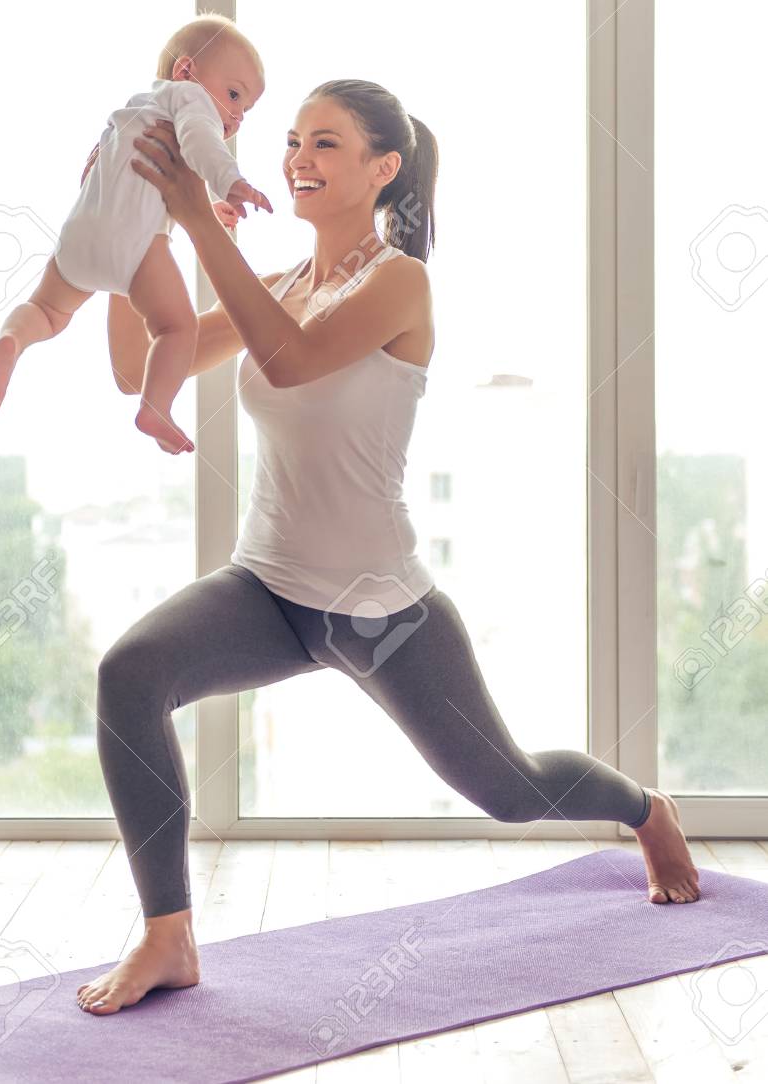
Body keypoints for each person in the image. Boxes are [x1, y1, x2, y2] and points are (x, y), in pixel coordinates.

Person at [77, 78, 701, 1016]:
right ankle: (169, 936)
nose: (297, 158)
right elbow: (139, 362)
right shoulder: (284, 280)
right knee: (129, 673)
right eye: (291, 140)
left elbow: (286, 357)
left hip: (380, 611)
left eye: (325, 143)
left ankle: (646, 811)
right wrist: (133, 226)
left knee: (512, 790)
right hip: (266, 589)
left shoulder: (399, 282)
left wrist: (195, 219)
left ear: (383, 168)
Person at [0, 15, 271, 454]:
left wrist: (207, 207)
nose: (238, 115)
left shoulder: (133, 107)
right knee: (175, 327)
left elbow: (142, 181)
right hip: (135, 251)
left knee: (46, 311)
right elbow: (200, 143)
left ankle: (11, 342)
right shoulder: (192, 101)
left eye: (247, 109)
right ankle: (157, 406)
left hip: (79, 235)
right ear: (186, 72)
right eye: (234, 95)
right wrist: (231, 182)